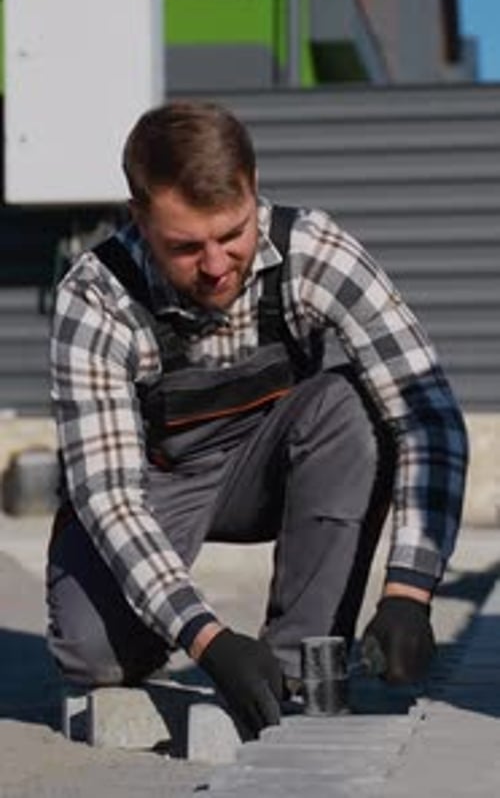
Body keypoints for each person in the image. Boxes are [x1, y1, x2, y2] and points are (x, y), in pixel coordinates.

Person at [46, 99, 468, 738]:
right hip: (156, 485)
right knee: (95, 655)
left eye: (232, 234)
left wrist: (410, 592)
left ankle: (299, 664)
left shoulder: (316, 251)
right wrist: (207, 638)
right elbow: (110, 497)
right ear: (139, 217)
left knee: (352, 404)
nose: (216, 266)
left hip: (272, 468)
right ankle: (199, 652)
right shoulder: (96, 297)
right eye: (185, 247)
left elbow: (427, 414)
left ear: (254, 187)